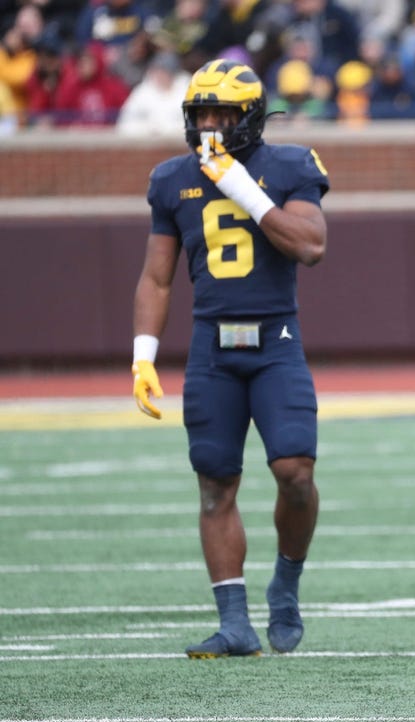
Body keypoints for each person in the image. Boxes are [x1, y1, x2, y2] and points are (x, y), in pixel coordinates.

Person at [131, 58, 330, 658]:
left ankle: (287, 585)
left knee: (294, 475)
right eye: (201, 114)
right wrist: (143, 356)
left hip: (276, 342)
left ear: (250, 118)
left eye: (222, 113)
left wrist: (238, 183)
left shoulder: (289, 165)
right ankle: (234, 622)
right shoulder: (171, 179)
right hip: (210, 347)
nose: (210, 124)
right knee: (215, 484)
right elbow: (157, 278)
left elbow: (311, 246)